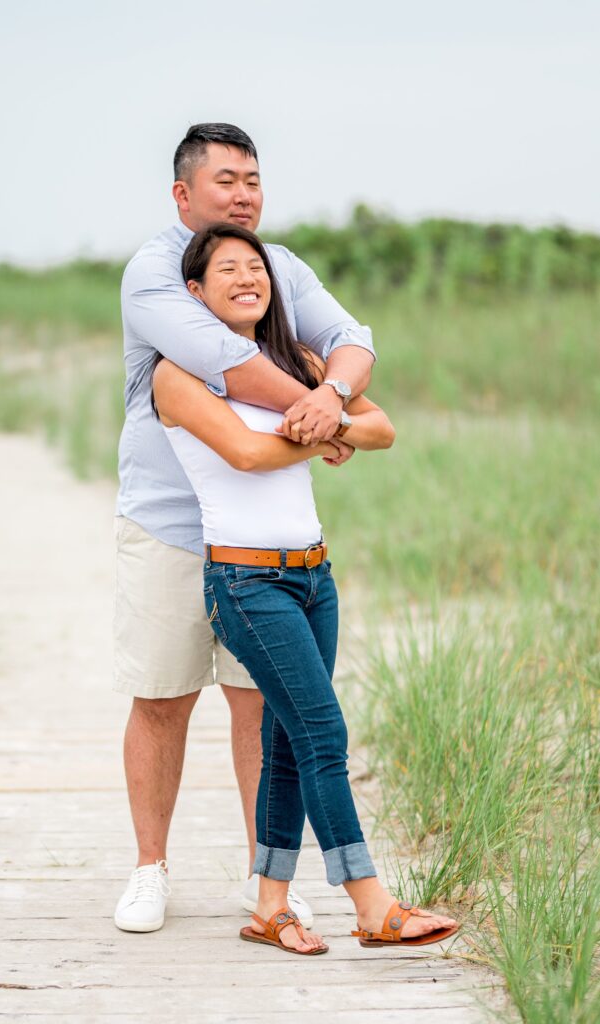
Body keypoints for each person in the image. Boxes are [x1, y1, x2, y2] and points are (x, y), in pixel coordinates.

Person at [152, 222, 459, 954]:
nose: (245, 277)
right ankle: (370, 904)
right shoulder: (176, 374)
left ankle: (268, 905)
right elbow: (249, 453)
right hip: (245, 581)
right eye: (225, 269)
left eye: (254, 266)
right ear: (195, 292)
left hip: (313, 577)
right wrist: (325, 425)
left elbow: (381, 429)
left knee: (291, 739)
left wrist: (330, 404)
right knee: (323, 731)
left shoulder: (296, 361)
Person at [114, 123, 376, 933]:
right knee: (162, 697)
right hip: (170, 524)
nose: (243, 195)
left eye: (253, 180)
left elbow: (351, 341)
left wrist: (328, 398)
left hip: (265, 547)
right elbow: (225, 365)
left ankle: (266, 880)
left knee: (259, 705)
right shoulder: (158, 274)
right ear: (182, 195)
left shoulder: (279, 267)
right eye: (225, 180)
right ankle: (149, 868)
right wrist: (318, 411)